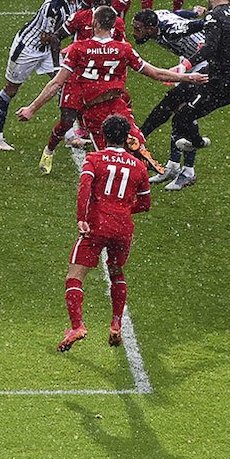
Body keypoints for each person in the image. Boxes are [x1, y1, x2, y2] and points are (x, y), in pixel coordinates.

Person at [16, 6, 207, 172]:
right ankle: (132, 176)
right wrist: (187, 76)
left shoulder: (79, 48)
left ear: (95, 24)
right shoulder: (124, 49)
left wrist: (32, 108)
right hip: (113, 104)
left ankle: (127, 180)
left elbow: (56, 83)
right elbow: (156, 73)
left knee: (112, 155)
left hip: (95, 108)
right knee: (132, 141)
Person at [56, 114, 151, 352]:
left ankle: (77, 326)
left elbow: (85, 188)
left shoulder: (94, 159)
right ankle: (116, 323)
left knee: (75, 276)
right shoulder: (139, 166)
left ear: (104, 135)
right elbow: (145, 204)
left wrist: (82, 218)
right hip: (123, 228)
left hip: (97, 224)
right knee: (117, 272)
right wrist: (122, 210)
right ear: (127, 137)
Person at [0, 0, 84, 151]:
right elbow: (50, 38)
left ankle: (70, 135)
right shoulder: (53, 6)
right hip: (29, 48)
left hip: (48, 47)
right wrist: (57, 67)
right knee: (11, 89)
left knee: (65, 85)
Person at [39, 0, 127, 173]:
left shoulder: (117, 23)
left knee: (108, 118)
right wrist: (57, 67)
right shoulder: (81, 17)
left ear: (110, 1)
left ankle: (110, 159)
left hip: (100, 80)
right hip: (76, 79)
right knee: (66, 122)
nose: (98, 1)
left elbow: (121, 50)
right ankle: (49, 150)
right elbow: (56, 37)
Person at [172, 0, 230, 154]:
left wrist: (185, 64)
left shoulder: (214, 16)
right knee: (183, 102)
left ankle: (198, 143)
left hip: (221, 83)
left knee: (182, 116)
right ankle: (189, 144)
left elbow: (209, 48)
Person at [131, 8, 206, 190]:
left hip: (206, 64)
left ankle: (188, 171)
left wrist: (211, 20)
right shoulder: (159, 16)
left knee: (181, 110)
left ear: (150, 28)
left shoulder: (171, 32)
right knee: (176, 109)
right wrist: (193, 12)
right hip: (190, 61)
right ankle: (173, 166)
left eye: (138, 29)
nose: (134, 33)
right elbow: (175, 13)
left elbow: (195, 30)